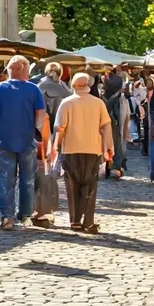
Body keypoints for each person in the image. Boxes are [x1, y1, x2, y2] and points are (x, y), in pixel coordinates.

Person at [0, 55, 49, 230]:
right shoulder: (33, 90)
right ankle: (25, 215)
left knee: (5, 181)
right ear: (25, 70)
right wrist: (36, 132)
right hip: (27, 142)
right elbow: (41, 114)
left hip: (4, 141)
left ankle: (7, 217)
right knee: (27, 180)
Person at [51, 73, 114, 234]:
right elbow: (106, 127)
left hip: (71, 149)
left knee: (72, 185)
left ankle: (74, 221)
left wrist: (54, 148)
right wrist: (109, 149)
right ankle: (88, 221)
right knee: (90, 185)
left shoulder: (66, 103)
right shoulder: (98, 103)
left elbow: (60, 129)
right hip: (92, 150)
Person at [102, 68, 130, 177]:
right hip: (114, 125)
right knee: (117, 146)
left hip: (110, 124)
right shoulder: (119, 98)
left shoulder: (106, 96)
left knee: (113, 146)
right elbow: (124, 115)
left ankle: (112, 166)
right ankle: (115, 167)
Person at [37, 62, 72, 133]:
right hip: (53, 120)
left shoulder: (61, 83)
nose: (53, 73)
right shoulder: (61, 85)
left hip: (52, 121)